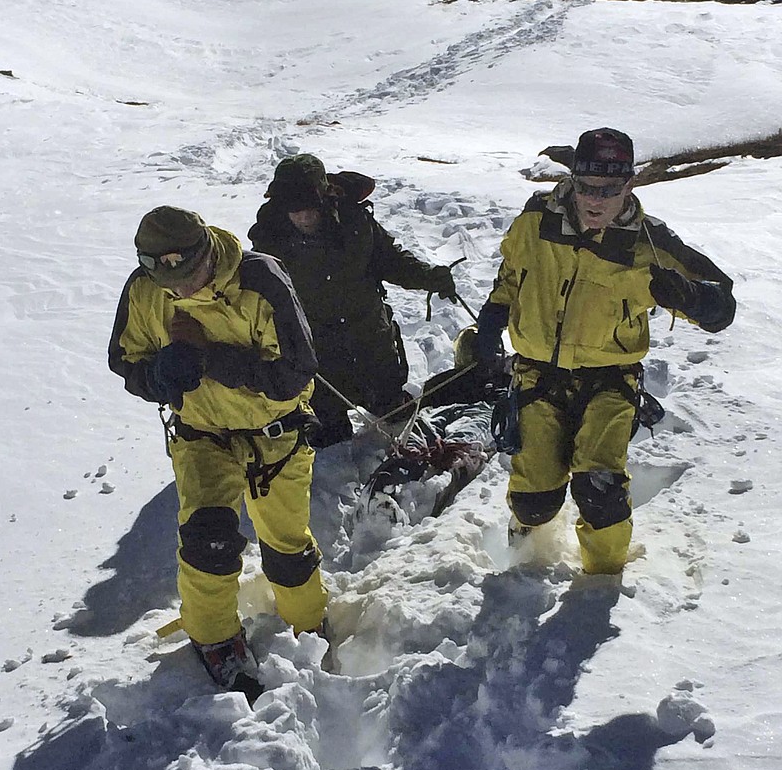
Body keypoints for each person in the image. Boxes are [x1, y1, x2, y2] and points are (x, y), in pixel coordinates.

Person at [475, 127, 736, 576]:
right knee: (533, 499)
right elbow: (513, 273)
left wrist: (691, 298)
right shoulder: (536, 220)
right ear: (573, 180)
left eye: (610, 190)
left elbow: (722, 303)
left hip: (610, 381)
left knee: (601, 490)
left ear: (629, 185)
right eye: (587, 188)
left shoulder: (649, 244)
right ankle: (526, 545)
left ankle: (603, 582)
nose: (596, 201)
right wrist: (493, 316)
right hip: (537, 375)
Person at [108, 205, 328, 690]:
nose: (180, 291)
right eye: (168, 280)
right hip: (202, 436)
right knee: (208, 540)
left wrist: (207, 358)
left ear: (208, 251)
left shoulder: (260, 280)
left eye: (190, 275)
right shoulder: (144, 290)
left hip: (276, 438)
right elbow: (125, 362)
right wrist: (163, 375)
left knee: (286, 546)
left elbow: (293, 374)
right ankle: (214, 639)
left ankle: (308, 621)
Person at [248, 154, 459, 447]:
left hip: (371, 336)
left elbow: (390, 259)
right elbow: (256, 300)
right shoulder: (269, 241)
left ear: (324, 198)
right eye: (295, 211)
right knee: (329, 436)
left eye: (310, 208)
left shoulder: (354, 221)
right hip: (317, 353)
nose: (304, 217)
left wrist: (428, 276)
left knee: (395, 411)